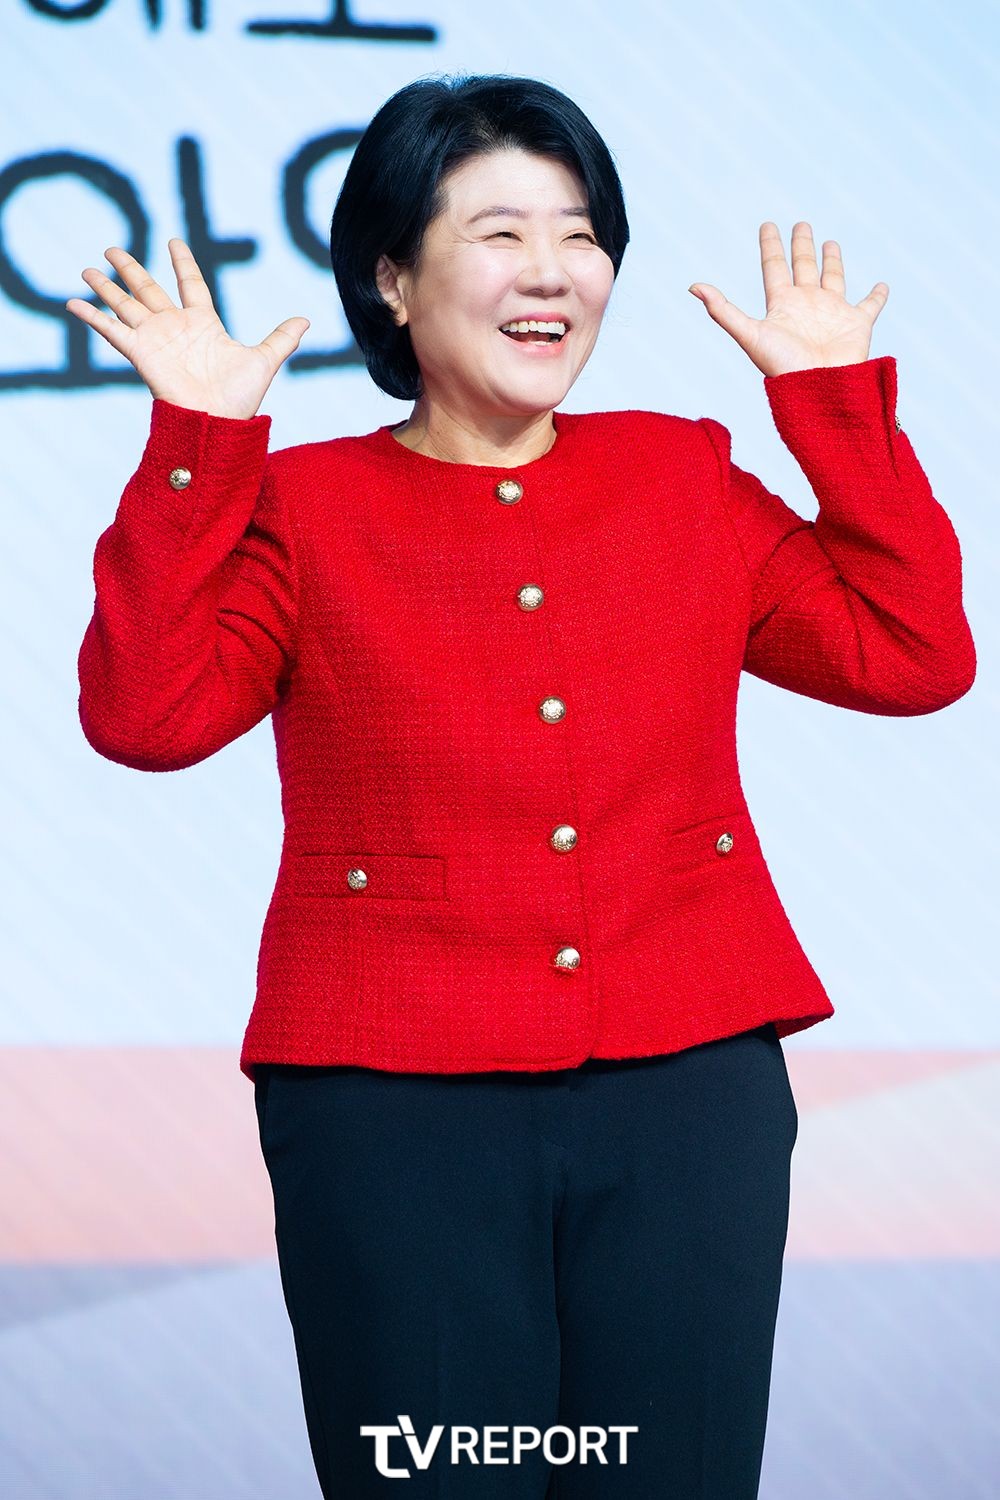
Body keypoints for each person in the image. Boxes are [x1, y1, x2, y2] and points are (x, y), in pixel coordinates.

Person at [71, 72, 976, 1500]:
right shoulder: (303, 508)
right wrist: (196, 442)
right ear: (392, 279)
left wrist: (833, 411)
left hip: (688, 1089)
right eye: (500, 234)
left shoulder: (681, 475)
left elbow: (913, 654)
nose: (552, 270)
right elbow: (147, 718)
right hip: (391, 1107)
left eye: (581, 234)